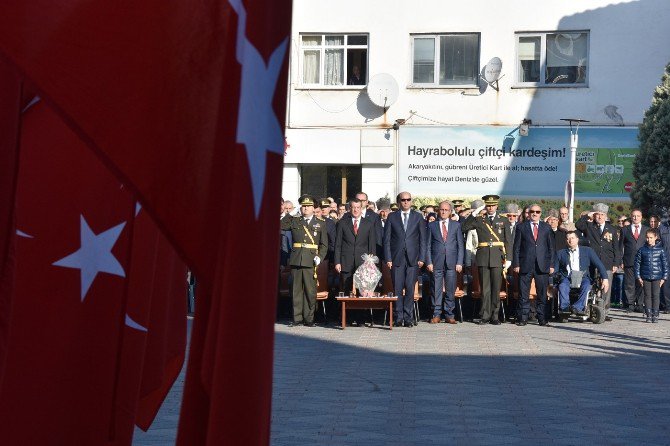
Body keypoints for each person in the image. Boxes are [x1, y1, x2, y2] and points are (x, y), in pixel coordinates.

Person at [462, 195, 511, 325]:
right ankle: (484, 315)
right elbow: (464, 227)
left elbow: (508, 241)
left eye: (493, 205)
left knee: (496, 288)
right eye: (488, 205)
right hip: (483, 256)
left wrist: (509, 259)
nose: (490, 208)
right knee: (485, 288)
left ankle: (495, 316)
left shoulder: (503, 220)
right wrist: (475, 212)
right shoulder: (479, 219)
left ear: (496, 206)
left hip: (497, 257)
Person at [280, 195, 329, 327]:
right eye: (303, 206)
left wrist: (320, 257)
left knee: (310, 290)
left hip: (311, 259)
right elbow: (281, 225)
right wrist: (290, 213)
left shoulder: (320, 223)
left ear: (314, 208)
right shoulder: (295, 220)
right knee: (296, 290)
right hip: (296, 259)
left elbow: (324, 244)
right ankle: (297, 318)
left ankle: (309, 318)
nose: (305, 208)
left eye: (308, 206)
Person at [383, 191, 427, 327]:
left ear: (411, 201)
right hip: (396, 258)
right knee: (397, 289)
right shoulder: (392, 217)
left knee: (409, 288)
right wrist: (388, 258)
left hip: (413, 259)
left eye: (408, 199)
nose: (406, 202)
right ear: (399, 202)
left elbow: (423, 240)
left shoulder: (418, 217)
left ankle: (408, 318)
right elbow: (387, 240)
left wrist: (422, 257)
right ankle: (398, 317)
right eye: (403, 200)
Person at [334, 197, 377, 325]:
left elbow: (372, 246)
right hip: (346, 261)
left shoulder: (368, 224)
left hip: (363, 263)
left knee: (362, 291)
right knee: (346, 290)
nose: (356, 210)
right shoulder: (342, 223)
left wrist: (371, 263)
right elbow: (338, 245)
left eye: (358, 208)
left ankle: (361, 318)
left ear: (361, 208)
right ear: (349, 209)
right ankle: (346, 318)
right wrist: (337, 262)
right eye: (353, 208)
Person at [576, 203, 621, 321]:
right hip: (592, 262)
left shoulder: (611, 229)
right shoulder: (590, 226)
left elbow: (616, 248)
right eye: (597, 214)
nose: (600, 217)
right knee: (590, 285)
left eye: (602, 214)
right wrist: (588, 216)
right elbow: (578, 225)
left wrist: (616, 263)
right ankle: (588, 310)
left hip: (607, 262)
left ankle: (604, 312)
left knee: (606, 287)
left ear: (606, 216)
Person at [512, 203, 554, 326]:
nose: (535, 214)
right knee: (523, 294)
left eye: (537, 212)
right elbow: (516, 248)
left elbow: (551, 248)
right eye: (532, 212)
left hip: (542, 265)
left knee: (541, 294)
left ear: (541, 214)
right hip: (525, 264)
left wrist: (551, 265)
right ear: (529, 214)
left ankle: (542, 318)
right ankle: (523, 318)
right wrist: (516, 264)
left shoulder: (546, 227)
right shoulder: (521, 227)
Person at [554, 231, 609, 316]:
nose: (570, 240)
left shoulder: (588, 251)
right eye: (568, 238)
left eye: (572, 238)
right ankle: (564, 308)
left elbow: (599, 265)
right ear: (566, 240)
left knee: (587, 286)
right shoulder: (560, 253)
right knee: (562, 285)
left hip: (583, 277)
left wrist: (605, 279)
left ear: (577, 239)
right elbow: (555, 270)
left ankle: (577, 307)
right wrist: (553, 284)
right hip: (567, 277)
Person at [426, 201, 463, 324]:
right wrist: (429, 262)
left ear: (450, 211)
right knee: (436, 288)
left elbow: (460, 245)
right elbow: (428, 246)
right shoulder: (432, 226)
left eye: (446, 210)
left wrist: (459, 262)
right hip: (436, 261)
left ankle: (449, 314)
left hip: (452, 262)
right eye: (441, 209)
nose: (443, 212)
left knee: (450, 289)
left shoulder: (456, 225)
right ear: (438, 211)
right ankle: (436, 314)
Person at [635, 229, 668, 323]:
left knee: (656, 296)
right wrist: (638, 277)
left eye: (651, 238)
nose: (649, 239)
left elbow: (665, 265)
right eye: (647, 237)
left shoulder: (661, 250)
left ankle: (655, 314)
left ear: (655, 238)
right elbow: (637, 264)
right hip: (645, 277)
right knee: (647, 296)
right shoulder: (642, 250)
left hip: (657, 277)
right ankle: (649, 314)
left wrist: (664, 278)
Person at [620, 209, 648, 312]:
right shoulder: (625, 230)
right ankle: (630, 304)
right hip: (628, 260)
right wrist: (620, 261)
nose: (635, 218)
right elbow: (620, 246)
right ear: (631, 217)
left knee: (641, 283)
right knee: (629, 284)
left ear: (641, 217)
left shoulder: (646, 229)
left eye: (638, 216)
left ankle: (640, 304)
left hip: (643, 261)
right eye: (634, 216)